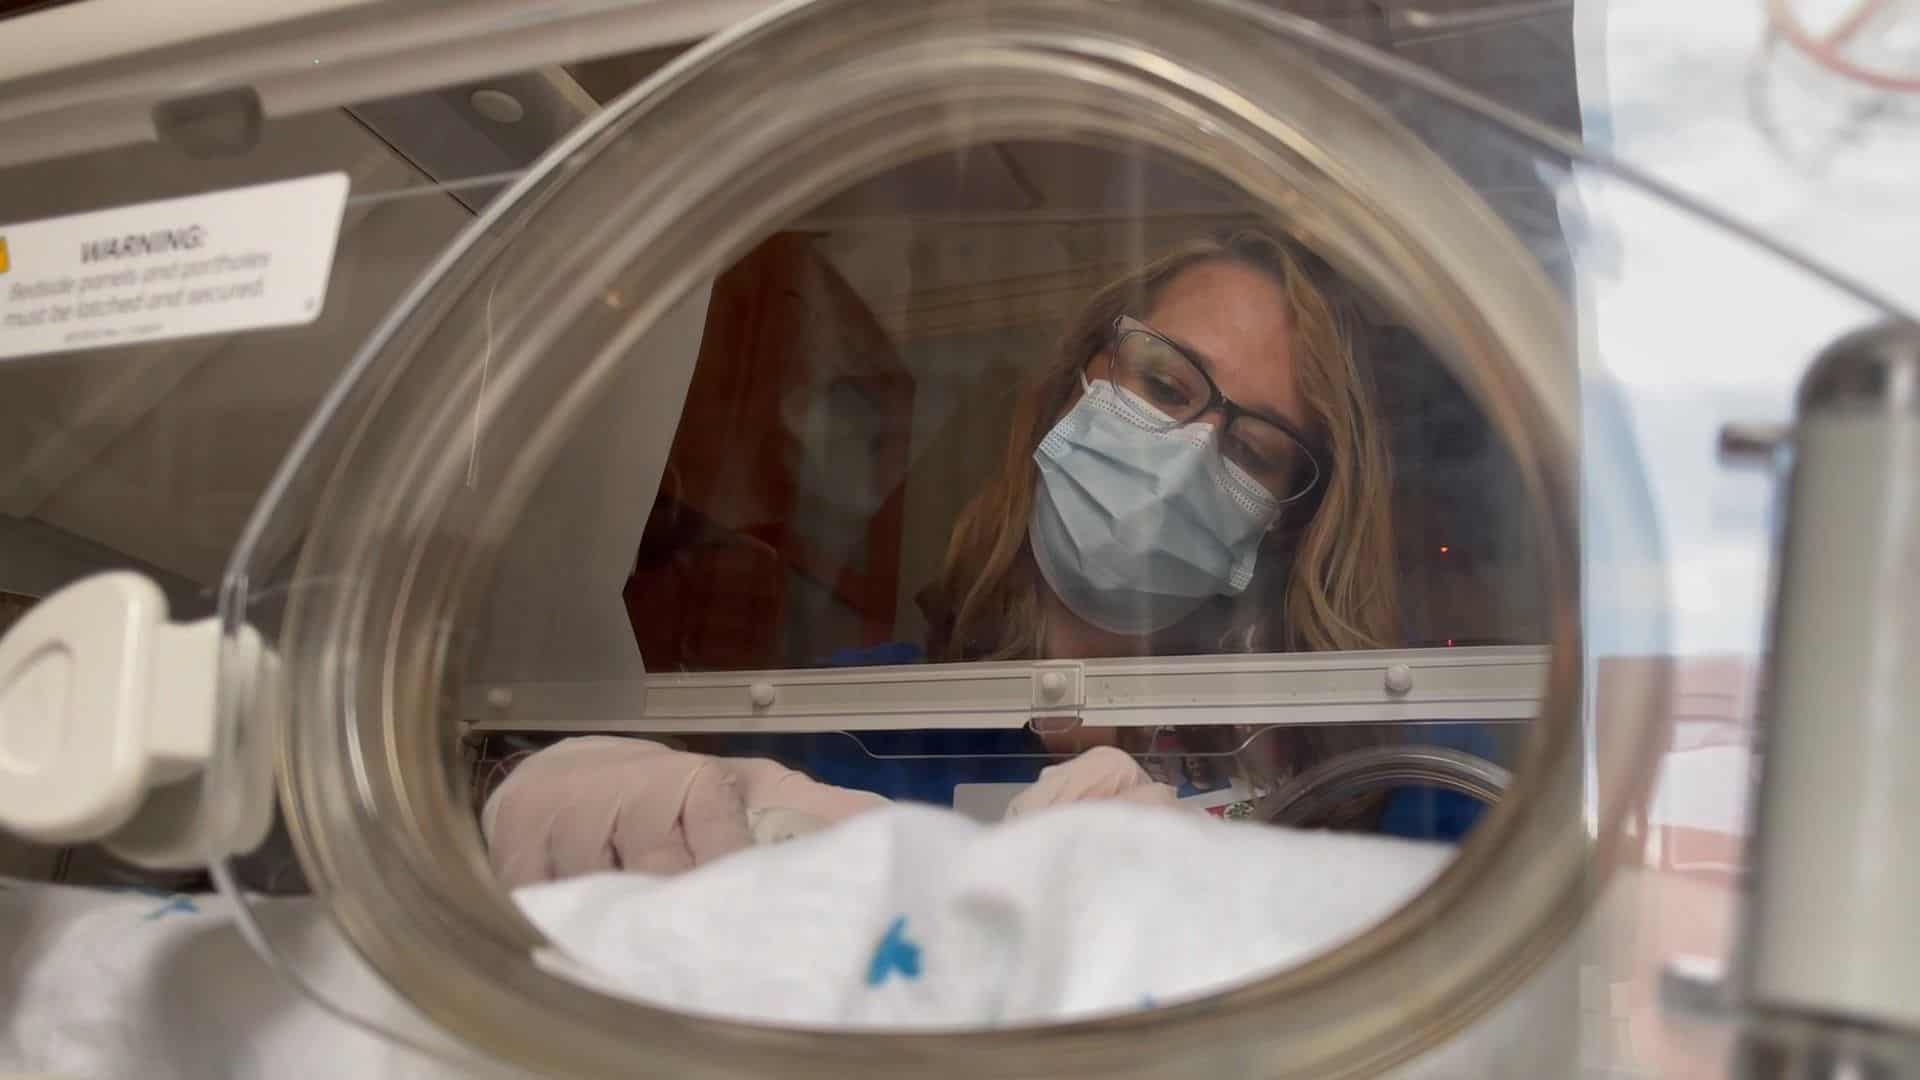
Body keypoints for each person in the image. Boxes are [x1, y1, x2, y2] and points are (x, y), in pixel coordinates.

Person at [486, 228, 1468, 883]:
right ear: (1079, 386)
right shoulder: (854, 721)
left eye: (1252, 450)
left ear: (1282, 525)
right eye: (1166, 385)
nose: (1183, 462)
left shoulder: (1380, 770)